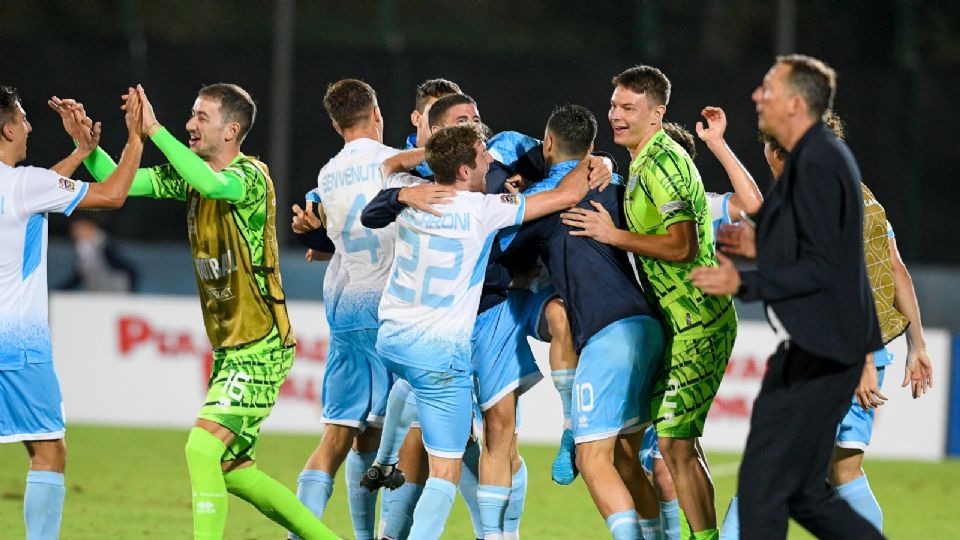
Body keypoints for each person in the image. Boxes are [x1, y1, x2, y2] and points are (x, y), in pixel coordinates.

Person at [72, 84, 338, 539]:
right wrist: (88, 149)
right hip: (232, 348)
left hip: (261, 344)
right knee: (234, 469)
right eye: (190, 115)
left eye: (201, 117)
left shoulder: (250, 177)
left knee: (201, 448)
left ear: (232, 129)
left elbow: (212, 183)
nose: (190, 124)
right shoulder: (189, 177)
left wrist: (153, 129)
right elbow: (121, 182)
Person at [689, 54, 885, 539]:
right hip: (818, 350)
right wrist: (762, 247)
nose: (758, 95)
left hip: (822, 354)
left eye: (769, 89)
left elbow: (823, 268)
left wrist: (744, 282)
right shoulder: (812, 160)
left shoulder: (817, 163)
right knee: (800, 493)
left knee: (764, 490)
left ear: (796, 104)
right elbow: (816, 250)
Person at [715, 112, 934, 538]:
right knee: (844, 469)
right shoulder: (860, 193)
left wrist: (863, 359)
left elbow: (845, 283)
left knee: (771, 465)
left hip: (839, 354)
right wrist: (918, 344)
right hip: (871, 350)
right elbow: (896, 271)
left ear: (778, 151)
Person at [376, 123, 592, 539]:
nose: (490, 158)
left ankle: (386, 476)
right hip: (444, 346)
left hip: (395, 338)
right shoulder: (480, 209)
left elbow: (383, 177)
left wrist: (400, 193)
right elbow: (565, 195)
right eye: (480, 155)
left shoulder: (409, 194)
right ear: (462, 170)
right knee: (446, 469)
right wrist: (595, 160)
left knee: (473, 430)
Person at [562, 65, 737, 540]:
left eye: (629, 108)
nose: (616, 115)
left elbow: (681, 246)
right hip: (673, 322)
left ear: (657, 114)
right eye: (614, 105)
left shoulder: (667, 163)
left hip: (699, 318)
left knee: (676, 444)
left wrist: (612, 235)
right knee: (642, 445)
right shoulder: (643, 160)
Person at [500, 104, 666, 539]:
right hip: (648, 327)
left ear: (548, 143)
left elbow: (505, 264)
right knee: (628, 461)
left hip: (607, 335)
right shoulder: (614, 185)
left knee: (595, 460)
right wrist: (609, 166)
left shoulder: (543, 203)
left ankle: (572, 428)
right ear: (592, 150)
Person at [1, 84, 144, 540]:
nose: (28, 127)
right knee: (49, 452)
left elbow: (39, 192)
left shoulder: (24, 187)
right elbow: (115, 194)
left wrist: (82, 151)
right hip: (16, 346)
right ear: (6, 130)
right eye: (22, 120)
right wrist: (136, 136)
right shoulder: (25, 185)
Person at [287, 78, 423, 540]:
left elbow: (327, 233)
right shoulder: (394, 166)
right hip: (390, 310)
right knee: (403, 439)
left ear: (334, 122)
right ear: (377, 112)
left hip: (344, 308)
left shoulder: (326, 175)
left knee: (341, 433)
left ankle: (301, 533)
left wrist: (315, 237)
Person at [638, 113, 762, 540]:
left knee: (670, 448)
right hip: (663, 331)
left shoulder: (699, 205)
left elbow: (752, 206)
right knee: (673, 449)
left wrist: (719, 146)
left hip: (699, 326)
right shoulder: (635, 200)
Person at [58, 215, 138, 292]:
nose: (74, 233)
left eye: (78, 228)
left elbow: (128, 269)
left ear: (89, 226)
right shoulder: (83, 248)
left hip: (116, 292)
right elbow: (79, 275)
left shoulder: (105, 244)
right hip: (97, 293)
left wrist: (131, 292)